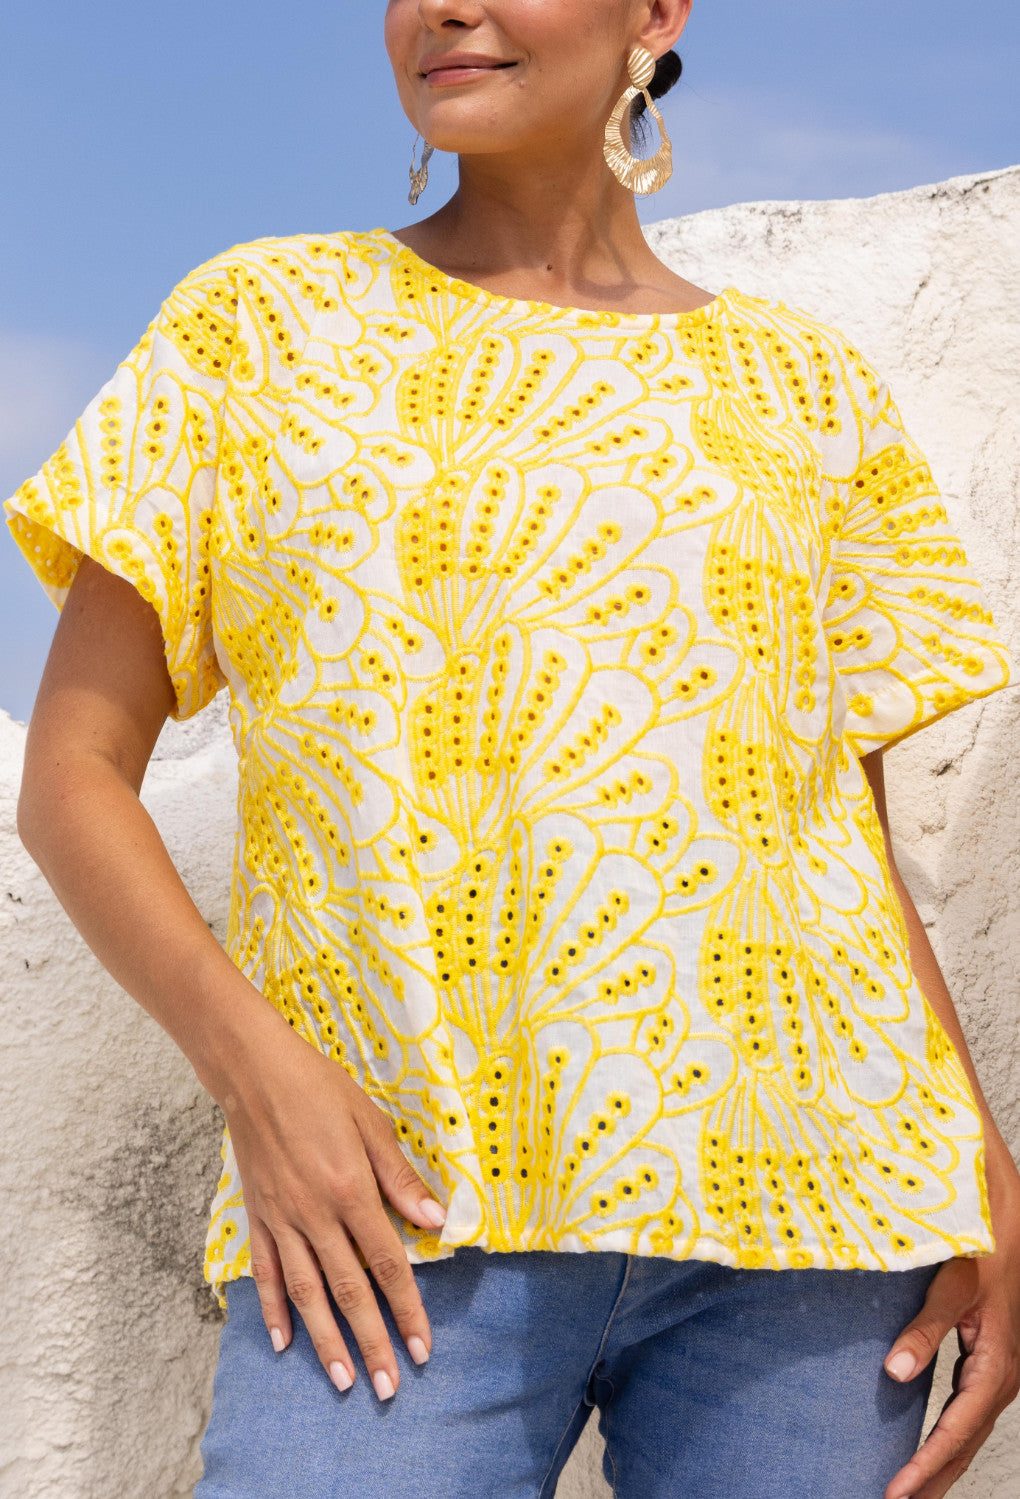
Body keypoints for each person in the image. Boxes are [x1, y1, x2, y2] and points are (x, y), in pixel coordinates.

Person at [6, 1, 1020, 1495]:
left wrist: (981, 1169)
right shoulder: (255, 327)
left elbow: (841, 837)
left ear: (656, 12)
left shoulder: (806, 385)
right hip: (393, 1213)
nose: (442, 6)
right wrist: (259, 1079)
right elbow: (70, 779)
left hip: (820, 1226)